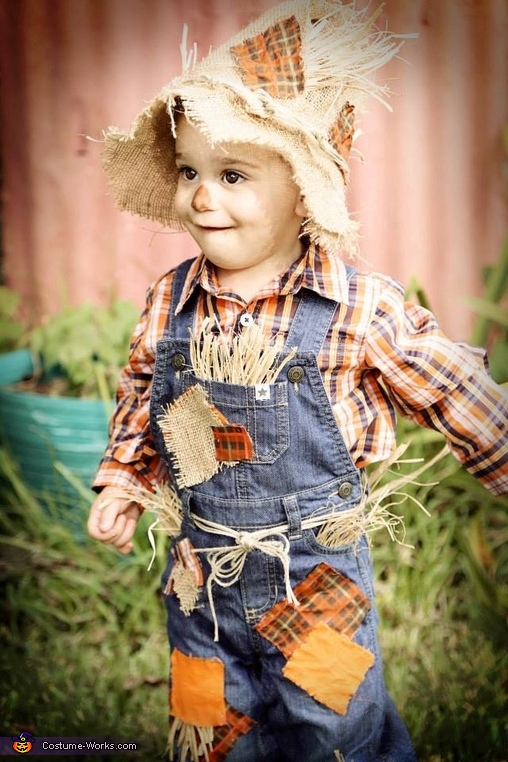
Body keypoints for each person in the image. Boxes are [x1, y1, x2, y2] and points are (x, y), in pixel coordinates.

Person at [87, 1, 508, 760]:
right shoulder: (169, 301)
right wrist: (122, 478)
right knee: (212, 724)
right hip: (201, 581)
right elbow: (141, 392)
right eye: (190, 171)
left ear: (304, 189)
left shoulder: (355, 306)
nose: (201, 196)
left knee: (332, 725)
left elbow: (451, 388)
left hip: (312, 582)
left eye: (232, 174)